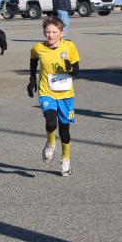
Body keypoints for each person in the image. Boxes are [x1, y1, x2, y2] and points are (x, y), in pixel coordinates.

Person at [27, 16, 80, 177]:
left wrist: (70, 69)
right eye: (47, 32)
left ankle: (66, 160)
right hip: (47, 92)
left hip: (66, 94)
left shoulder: (69, 47)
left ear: (61, 33)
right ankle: (50, 143)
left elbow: (77, 71)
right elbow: (33, 60)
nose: (50, 35)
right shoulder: (38, 48)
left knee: (64, 130)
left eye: (54, 32)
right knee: (51, 122)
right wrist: (32, 79)